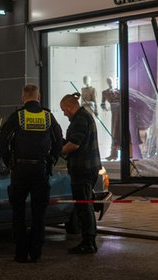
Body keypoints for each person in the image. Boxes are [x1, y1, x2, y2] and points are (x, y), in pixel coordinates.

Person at [0, 84, 63, 263]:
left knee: (18, 212)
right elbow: (59, 141)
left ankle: (20, 253)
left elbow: (2, 138)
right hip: (40, 170)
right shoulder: (48, 117)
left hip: (20, 170)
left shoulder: (18, 116)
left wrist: (8, 160)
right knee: (39, 213)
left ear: (22, 97)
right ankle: (35, 253)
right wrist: (51, 159)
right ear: (39, 97)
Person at [60, 92, 102, 254]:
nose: (64, 113)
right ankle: (88, 239)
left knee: (84, 206)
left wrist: (60, 151)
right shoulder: (85, 116)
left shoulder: (79, 119)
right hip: (88, 167)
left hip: (82, 168)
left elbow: (75, 144)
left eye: (64, 110)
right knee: (85, 205)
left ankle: (88, 242)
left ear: (71, 107)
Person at [100, 77, 121, 160]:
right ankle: (114, 153)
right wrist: (105, 109)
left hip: (121, 111)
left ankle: (121, 153)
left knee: (120, 131)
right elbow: (102, 104)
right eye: (108, 81)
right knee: (114, 131)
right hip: (114, 112)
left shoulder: (118, 91)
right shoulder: (105, 92)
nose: (110, 83)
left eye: (111, 81)